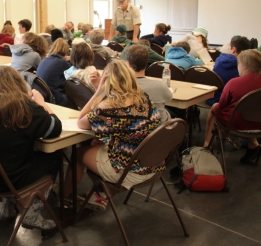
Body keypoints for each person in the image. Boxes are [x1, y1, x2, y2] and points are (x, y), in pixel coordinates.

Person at [0, 65, 62, 229]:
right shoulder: (25, 108)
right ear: (18, 84)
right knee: (53, 157)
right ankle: (31, 214)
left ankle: (8, 207)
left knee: (8, 155)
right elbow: (55, 128)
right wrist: (41, 104)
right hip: (10, 182)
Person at [63, 60, 161, 209]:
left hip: (130, 170)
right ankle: (100, 192)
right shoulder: (144, 98)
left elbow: (81, 122)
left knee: (78, 154)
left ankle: (65, 197)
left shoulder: (107, 108)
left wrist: (98, 91)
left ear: (107, 81)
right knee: (99, 144)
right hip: (153, 162)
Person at [203, 50, 261, 163]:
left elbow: (223, 106)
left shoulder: (234, 83)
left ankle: (206, 144)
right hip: (259, 123)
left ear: (245, 66)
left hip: (236, 123)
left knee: (215, 107)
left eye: (238, 64)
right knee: (253, 110)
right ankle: (253, 143)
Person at [125, 45, 173, 123]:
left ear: (129, 64)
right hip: (162, 130)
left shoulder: (121, 87)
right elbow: (169, 98)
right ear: (147, 62)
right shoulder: (160, 86)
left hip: (135, 128)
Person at [206, 36, 251, 105]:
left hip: (212, 96)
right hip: (234, 102)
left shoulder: (219, 60)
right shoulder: (246, 67)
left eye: (228, 48)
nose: (227, 50)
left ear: (233, 49)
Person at [36, 39, 71, 106]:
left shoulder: (44, 59)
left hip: (42, 95)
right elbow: (75, 77)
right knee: (73, 97)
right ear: (66, 50)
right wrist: (72, 59)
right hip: (54, 98)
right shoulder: (62, 63)